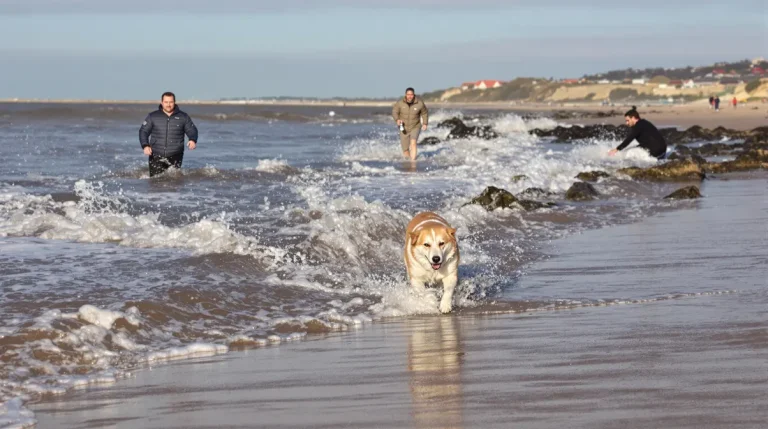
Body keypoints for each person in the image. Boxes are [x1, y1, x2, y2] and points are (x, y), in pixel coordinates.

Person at [139, 92, 198, 177]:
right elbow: (143, 131)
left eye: (171, 102)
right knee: (155, 183)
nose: (168, 104)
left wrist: (192, 139)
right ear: (162, 102)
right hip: (156, 154)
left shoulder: (183, 117)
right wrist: (145, 145)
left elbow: (192, 130)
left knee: (174, 183)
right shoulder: (153, 116)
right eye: (166, 102)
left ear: (174, 102)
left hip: (176, 154)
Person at [392, 87, 428, 161]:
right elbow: (394, 112)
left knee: (413, 142)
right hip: (403, 128)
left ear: (414, 95)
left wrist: (425, 123)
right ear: (405, 95)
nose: (410, 96)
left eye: (411, 94)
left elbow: (424, 113)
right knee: (405, 150)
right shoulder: (400, 103)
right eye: (408, 94)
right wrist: (397, 120)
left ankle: (413, 162)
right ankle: (408, 161)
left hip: (415, 126)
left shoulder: (420, 103)